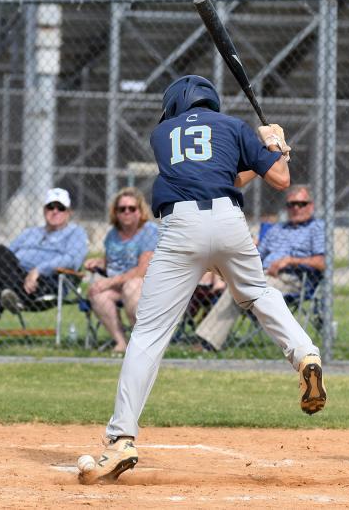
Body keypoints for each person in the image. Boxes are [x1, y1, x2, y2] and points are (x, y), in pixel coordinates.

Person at [78, 74, 326, 485]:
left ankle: (121, 438)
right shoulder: (233, 126)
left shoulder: (162, 133)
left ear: (177, 105)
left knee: (150, 333)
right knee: (257, 293)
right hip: (229, 222)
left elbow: (212, 171)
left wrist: (265, 150)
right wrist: (274, 146)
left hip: (181, 227)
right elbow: (278, 179)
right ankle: (304, 354)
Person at [194, 184, 325, 351]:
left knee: (240, 289)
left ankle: (207, 342)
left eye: (301, 203)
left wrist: (290, 261)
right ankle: (207, 340)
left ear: (311, 205)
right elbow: (257, 255)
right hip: (261, 274)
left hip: (292, 278)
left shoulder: (317, 229)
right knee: (232, 283)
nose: (296, 208)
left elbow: (322, 262)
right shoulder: (277, 229)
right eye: (291, 204)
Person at [0, 188, 88, 350]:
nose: (55, 211)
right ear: (44, 210)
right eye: (51, 207)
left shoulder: (76, 233)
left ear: (69, 212)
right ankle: (12, 294)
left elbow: (72, 260)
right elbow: (9, 252)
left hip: (46, 282)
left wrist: (38, 270)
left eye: (60, 208)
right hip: (17, 276)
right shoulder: (30, 233)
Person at [83, 187, 158, 355]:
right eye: (122, 209)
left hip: (142, 284)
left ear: (140, 211)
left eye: (132, 208)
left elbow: (141, 270)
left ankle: (141, 342)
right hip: (117, 284)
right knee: (96, 292)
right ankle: (121, 342)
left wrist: (109, 282)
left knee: (131, 287)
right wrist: (100, 262)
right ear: (115, 212)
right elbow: (113, 262)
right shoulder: (113, 234)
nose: (127, 212)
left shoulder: (149, 231)